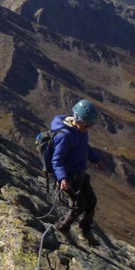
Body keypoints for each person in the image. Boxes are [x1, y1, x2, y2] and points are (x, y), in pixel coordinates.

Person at [50, 99, 104, 244]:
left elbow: (85, 147)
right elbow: (57, 160)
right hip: (69, 177)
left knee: (91, 201)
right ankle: (63, 226)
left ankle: (85, 230)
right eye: (86, 124)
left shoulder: (81, 132)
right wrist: (62, 179)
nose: (88, 127)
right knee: (79, 205)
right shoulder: (64, 136)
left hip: (80, 173)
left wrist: (96, 159)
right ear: (77, 119)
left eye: (90, 125)